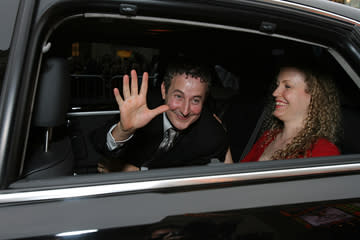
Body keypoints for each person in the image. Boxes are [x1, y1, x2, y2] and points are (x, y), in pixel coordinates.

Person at [93, 60, 229, 172]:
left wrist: (134, 171)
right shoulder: (145, 105)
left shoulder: (211, 134)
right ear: (164, 90)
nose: (185, 110)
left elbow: (190, 177)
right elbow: (98, 141)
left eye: (195, 100)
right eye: (178, 96)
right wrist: (123, 131)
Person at [241, 63, 342, 162]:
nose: (275, 93)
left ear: (314, 96)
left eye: (287, 86)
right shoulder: (268, 137)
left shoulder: (323, 151)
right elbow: (239, 175)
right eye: (277, 85)